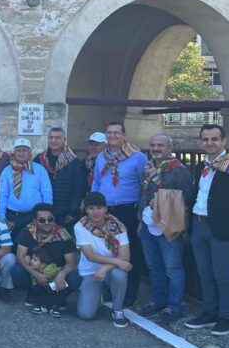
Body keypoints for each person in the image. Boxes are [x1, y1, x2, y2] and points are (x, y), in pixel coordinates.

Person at [185, 124, 229, 336]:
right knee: (204, 272)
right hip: (199, 224)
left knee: (222, 274)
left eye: (214, 139)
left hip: (223, 228)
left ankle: (226, 317)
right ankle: (209, 312)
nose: (210, 143)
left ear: (224, 141)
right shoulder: (202, 166)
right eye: (205, 139)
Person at [135, 134, 193, 324]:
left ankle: (174, 307)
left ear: (169, 148)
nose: (156, 148)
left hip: (169, 226)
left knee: (173, 268)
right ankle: (158, 301)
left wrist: (162, 201)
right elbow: (143, 195)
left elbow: (187, 198)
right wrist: (140, 221)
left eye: (160, 145)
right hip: (148, 225)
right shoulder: (148, 168)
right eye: (153, 145)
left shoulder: (179, 171)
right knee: (154, 266)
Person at [92, 121, 148, 307]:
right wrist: (93, 204)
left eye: (116, 133)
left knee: (129, 251)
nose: (112, 136)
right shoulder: (102, 156)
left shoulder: (137, 157)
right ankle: (110, 288)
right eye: (109, 133)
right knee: (107, 249)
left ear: (124, 135)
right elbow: (97, 181)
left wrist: (141, 212)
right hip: (106, 210)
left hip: (127, 210)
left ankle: (129, 292)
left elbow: (144, 184)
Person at [75, 192, 132, 328]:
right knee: (85, 314)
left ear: (106, 209)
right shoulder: (80, 226)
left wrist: (105, 268)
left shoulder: (118, 226)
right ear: (86, 210)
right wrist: (117, 262)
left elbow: (125, 257)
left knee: (120, 274)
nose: (96, 212)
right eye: (91, 208)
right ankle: (99, 294)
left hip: (111, 270)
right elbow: (90, 256)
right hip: (91, 272)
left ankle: (117, 309)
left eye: (99, 208)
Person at [11, 203, 79, 317]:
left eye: (50, 219)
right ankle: (32, 294)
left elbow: (71, 262)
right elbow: (20, 257)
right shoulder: (27, 231)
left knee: (75, 276)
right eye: (42, 220)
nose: (47, 222)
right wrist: (36, 274)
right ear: (34, 221)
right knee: (16, 270)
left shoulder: (63, 233)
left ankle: (59, 298)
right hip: (35, 273)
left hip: (57, 272)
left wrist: (61, 275)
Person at [0, 138, 53, 240]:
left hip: (34, 217)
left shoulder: (39, 170)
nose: (21, 153)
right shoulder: (7, 171)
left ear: (30, 153)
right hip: (12, 217)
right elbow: (2, 195)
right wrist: (2, 217)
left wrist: (46, 214)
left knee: (34, 244)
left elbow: (46, 192)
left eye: (24, 150)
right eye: (18, 150)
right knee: (13, 245)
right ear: (14, 153)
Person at [33, 127, 84, 230]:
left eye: (57, 138)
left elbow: (79, 188)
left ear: (64, 140)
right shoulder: (39, 160)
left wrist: (72, 212)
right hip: (44, 212)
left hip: (65, 213)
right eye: (51, 137)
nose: (54, 140)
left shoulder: (74, 162)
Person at [24, 249, 66, 317]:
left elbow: (57, 270)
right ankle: (42, 306)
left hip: (54, 289)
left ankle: (56, 307)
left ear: (43, 264)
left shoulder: (51, 269)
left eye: (35, 260)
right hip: (44, 290)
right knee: (37, 288)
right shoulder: (35, 270)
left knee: (59, 292)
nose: (31, 261)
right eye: (32, 259)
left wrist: (45, 275)